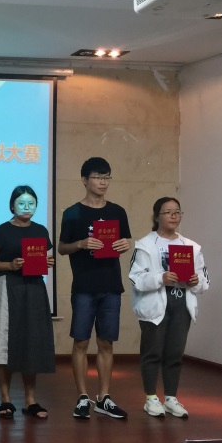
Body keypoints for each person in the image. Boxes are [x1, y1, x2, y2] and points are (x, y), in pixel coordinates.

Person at [58, 157, 132, 420]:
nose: (103, 182)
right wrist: (81, 244)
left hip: (111, 285)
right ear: (84, 180)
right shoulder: (72, 212)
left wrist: (126, 244)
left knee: (106, 342)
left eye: (107, 177)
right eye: (98, 177)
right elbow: (62, 247)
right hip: (84, 286)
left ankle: (104, 397)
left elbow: (125, 240)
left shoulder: (117, 211)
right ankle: (82, 396)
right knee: (81, 341)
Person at [129, 197, 209, 418]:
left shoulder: (191, 246)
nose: (173, 216)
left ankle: (171, 398)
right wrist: (160, 277)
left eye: (177, 212)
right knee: (153, 352)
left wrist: (196, 281)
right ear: (156, 217)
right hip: (155, 304)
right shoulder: (145, 245)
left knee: (175, 353)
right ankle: (151, 398)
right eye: (167, 212)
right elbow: (135, 277)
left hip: (181, 304)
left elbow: (204, 280)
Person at [0, 185, 55, 419]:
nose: (26, 207)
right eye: (21, 203)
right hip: (7, 286)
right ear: (12, 205)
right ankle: (5, 399)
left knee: (31, 341)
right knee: (4, 341)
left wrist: (48, 262)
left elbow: (45, 257)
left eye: (31, 203)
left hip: (34, 288)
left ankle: (30, 400)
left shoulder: (41, 230)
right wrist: (10, 265)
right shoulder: (1, 231)